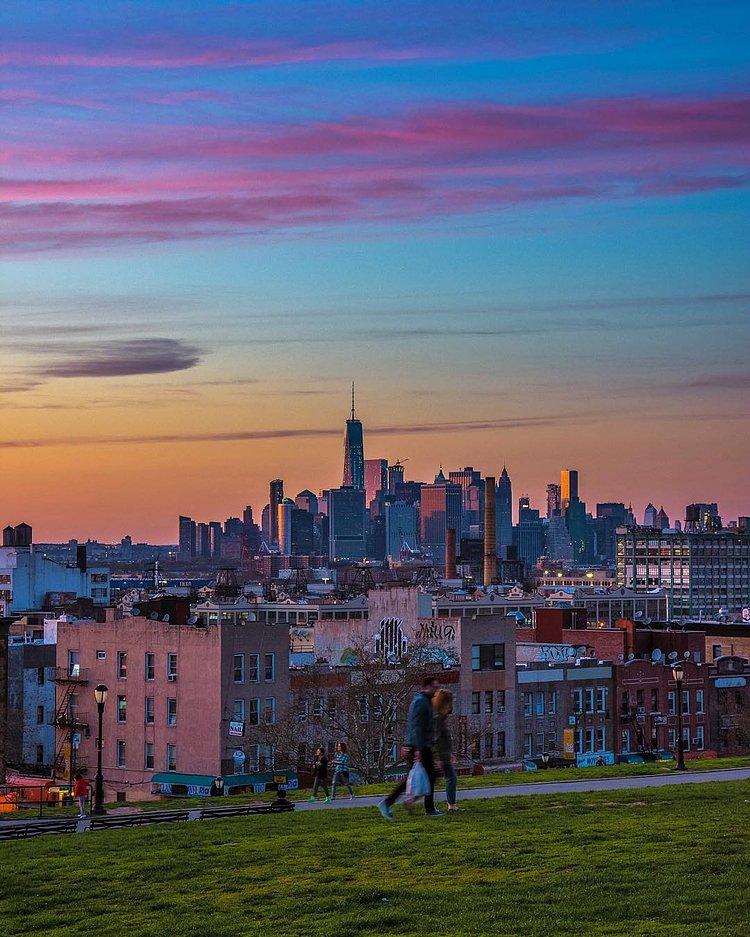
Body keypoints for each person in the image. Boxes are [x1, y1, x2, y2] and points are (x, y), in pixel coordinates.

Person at [378, 675, 442, 819]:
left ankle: (392, 803)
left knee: (426, 777)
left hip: (420, 745)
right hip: (420, 746)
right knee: (428, 776)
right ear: (427, 687)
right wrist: (418, 748)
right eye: (434, 687)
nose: (436, 690)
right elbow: (417, 727)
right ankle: (427, 808)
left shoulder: (424, 701)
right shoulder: (421, 702)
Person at [433, 688, 459, 812]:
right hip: (440, 757)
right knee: (433, 782)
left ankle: (451, 805)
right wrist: (437, 758)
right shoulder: (437, 719)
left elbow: (443, 739)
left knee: (450, 778)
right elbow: (435, 739)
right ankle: (411, 799)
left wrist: (449, 753)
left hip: (444, 755)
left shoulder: (441, 718)